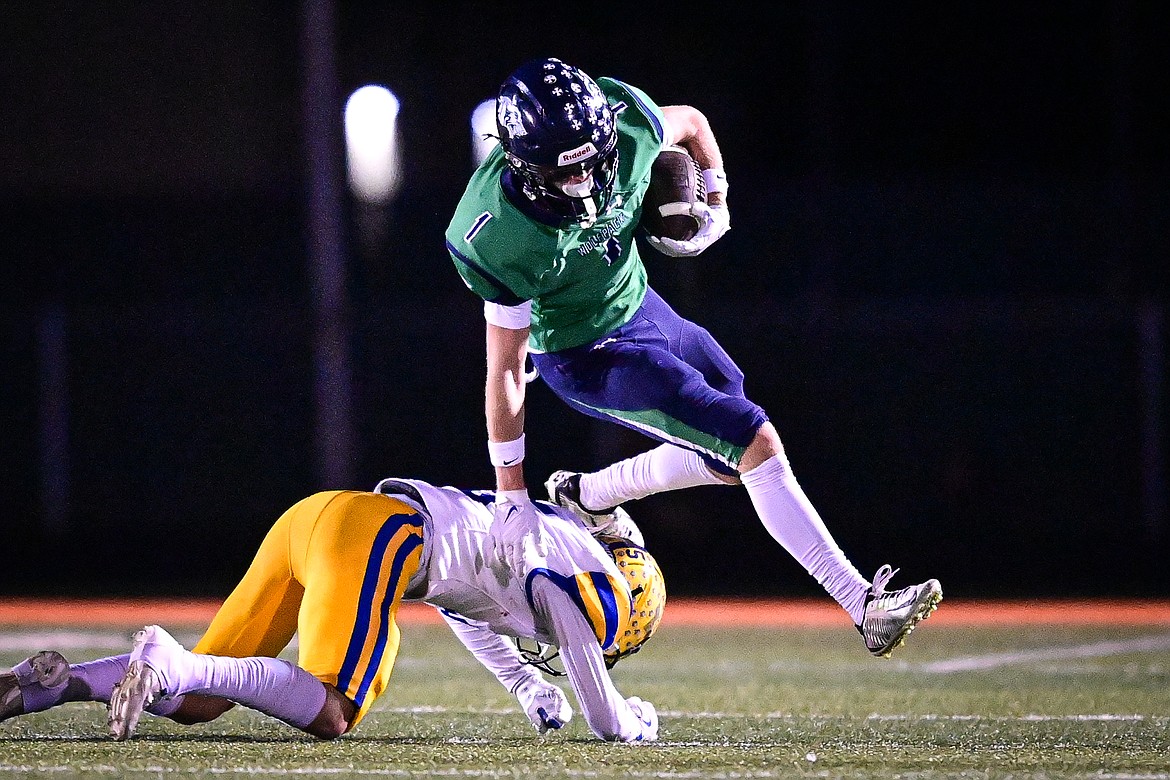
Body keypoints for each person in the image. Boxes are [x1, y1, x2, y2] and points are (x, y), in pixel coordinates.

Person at [445, 57, 942, 659]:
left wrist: (716, 194)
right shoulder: (495, 232)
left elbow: (691, 123)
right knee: (752, 437)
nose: (585, 184)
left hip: (642, 308)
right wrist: (511, 494)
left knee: (735, 456)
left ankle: (587, 495)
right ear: (523, 165)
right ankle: (862, 604)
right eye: (564, 174)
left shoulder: (624, 125)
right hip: (582, 352)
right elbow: (504, 372)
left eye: (590, 164)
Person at [0, 478, 664, 743]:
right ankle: (167, 657)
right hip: (382, 537)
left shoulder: (551, 539)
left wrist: (526, 687)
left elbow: (467, 608)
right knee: (331, 710)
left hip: (319, 518)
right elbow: (604, 717)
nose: (602, 644)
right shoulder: (597, 581)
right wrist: (633, 720)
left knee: (201, 698)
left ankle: (43, 688)